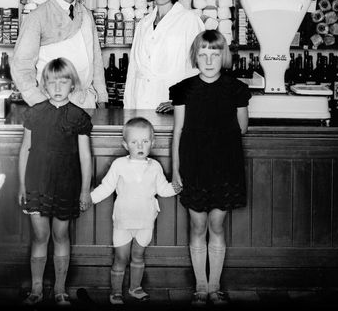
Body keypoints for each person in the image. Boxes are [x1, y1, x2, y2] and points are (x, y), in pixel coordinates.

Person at [169, 30, 251, 307]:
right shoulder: (184, 89)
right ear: (195, 57)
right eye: (202, 54)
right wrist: (176, 170)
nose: (208, 60)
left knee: (217, 225)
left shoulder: (236, 88)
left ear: (223, 56)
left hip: (225, 166)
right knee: (198, 224)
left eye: (214, 54)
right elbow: (177, 131)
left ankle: (215, 286)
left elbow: (242, 127)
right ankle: (200, 287)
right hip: (194, 165)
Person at [17, 58, 94, 306]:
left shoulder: (78, 117)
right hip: (37, 183)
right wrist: (21, 185)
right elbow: (25, 150)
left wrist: (84, 191)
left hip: (66, 184)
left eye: (64, 81)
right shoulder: (34, 113)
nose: (58, 87)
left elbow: (85, 156)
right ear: (44, 85)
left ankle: (60, 288)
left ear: (72, 84)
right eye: (52, 82)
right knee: (40, 235)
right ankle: (37, 288)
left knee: (61, 235)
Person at [90, 117, 182, 305]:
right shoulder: (119, 165)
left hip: (146, 222)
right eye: (134, 142)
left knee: (138, 256)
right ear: (125, 144)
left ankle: (135, 288)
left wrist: (176, 187)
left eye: (145, 141)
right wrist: (87, 199)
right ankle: (116, 291)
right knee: (121, 258)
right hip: (123, 222)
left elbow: (162, 190)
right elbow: (106, 187)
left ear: (152, 143)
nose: (140, 145)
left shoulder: (155, 167)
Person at [12, 0, 108, 109]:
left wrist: (102, 98)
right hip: (52, 104)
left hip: (85, 103)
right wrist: (38, 102)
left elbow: (96, 61)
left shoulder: (86, 14)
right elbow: (21, 65)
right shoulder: (38, 16)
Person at [123, 0, 204, 112]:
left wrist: (182, 101)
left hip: (172, 105)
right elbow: (133, 69)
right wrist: (128, 109)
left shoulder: (190, 21)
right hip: (140, 103)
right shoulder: (144, 23)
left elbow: (199, 68)